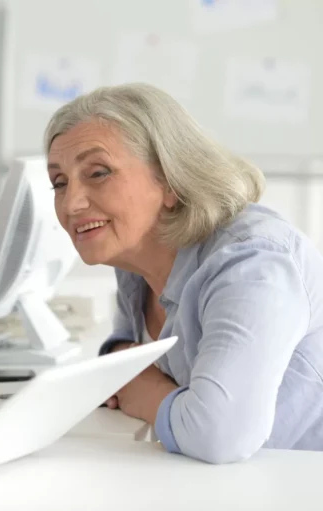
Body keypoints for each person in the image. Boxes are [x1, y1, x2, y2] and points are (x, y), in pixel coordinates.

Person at [44, 83, 323, 464]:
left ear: (170, 182)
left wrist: (143, 389)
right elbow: (122, 354)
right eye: (59, 182)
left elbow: (220, 434)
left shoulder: (253, 263)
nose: (71, 203)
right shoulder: (133, 261)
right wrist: (124, 368)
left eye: (98, 172)